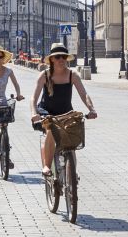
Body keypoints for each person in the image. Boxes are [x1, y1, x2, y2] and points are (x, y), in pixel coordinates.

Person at [29, 43, 96, 176]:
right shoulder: (44, 75)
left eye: (64, 57)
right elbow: (33, 98)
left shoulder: (72, 75)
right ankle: (47, 167)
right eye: (58, 57)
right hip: (46, 112)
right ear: (52, 59)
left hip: (66, 112)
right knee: (50, 131)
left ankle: (72, 173)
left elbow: (84, 94)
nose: (61, 60)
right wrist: (34, 113)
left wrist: (91, 109)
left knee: (71, 140)